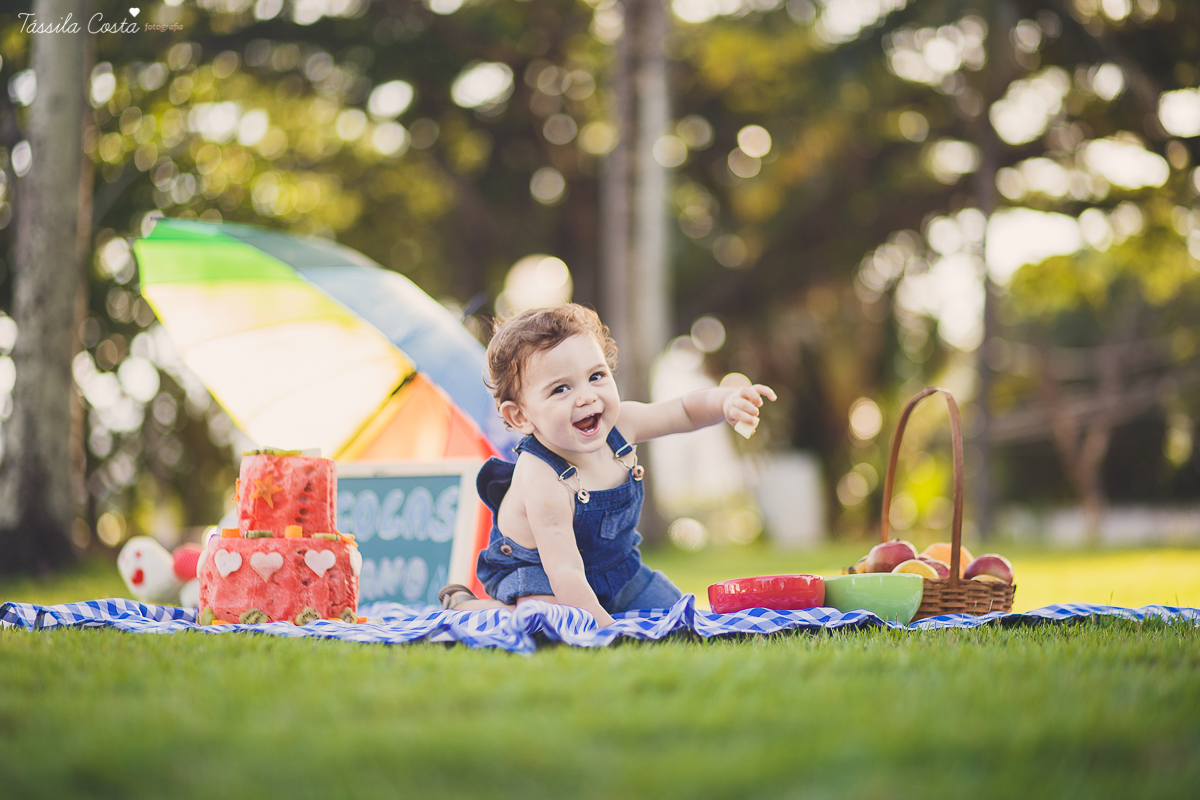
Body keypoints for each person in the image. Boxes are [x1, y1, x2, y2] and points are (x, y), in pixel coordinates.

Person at [437, 304, 776, 627]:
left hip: (616, 568)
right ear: (521, 416)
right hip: (542, 572)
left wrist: (725, 400)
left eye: (596, 376)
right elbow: (565, 570)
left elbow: (684, 411)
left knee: (677, 618)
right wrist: (603, 628)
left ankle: (608, 605)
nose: (586, 396)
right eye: (561, 389)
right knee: (547, 621)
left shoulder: (622, 425)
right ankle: (472, 607)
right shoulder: (541, 477)